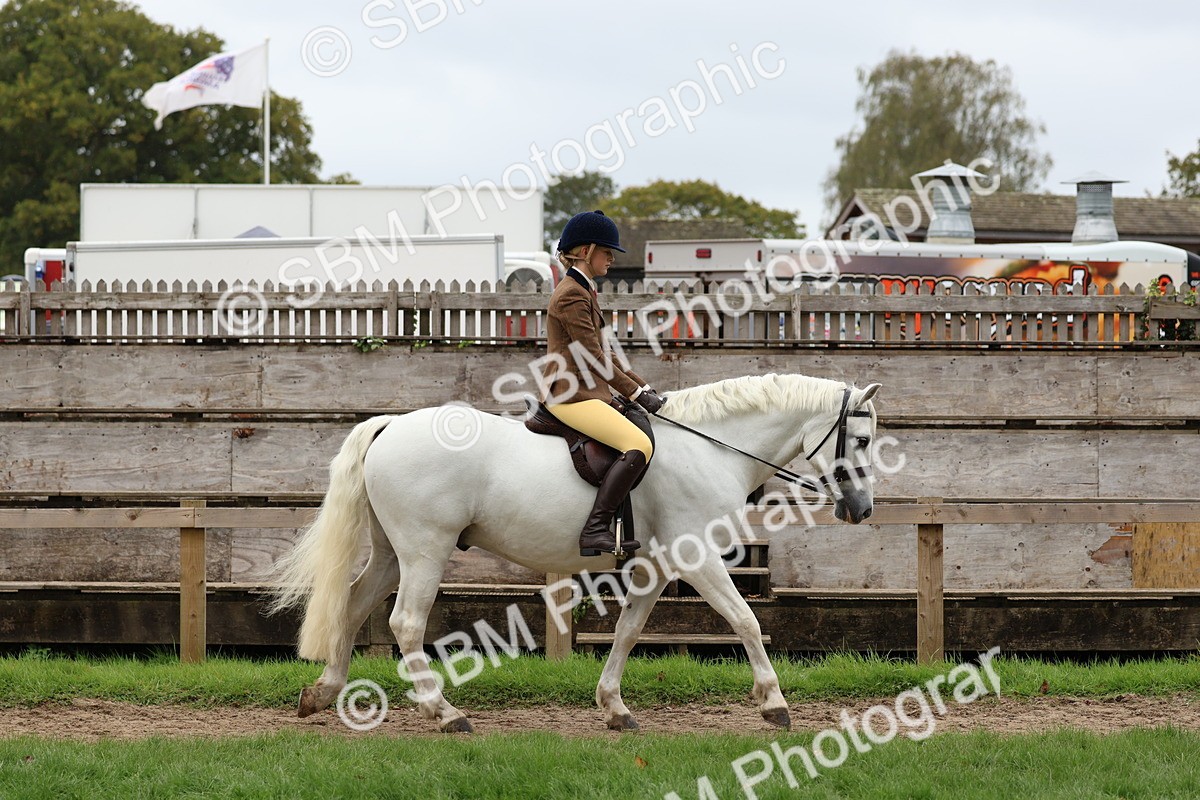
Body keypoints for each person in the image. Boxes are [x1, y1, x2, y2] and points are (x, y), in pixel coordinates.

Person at [542, 210, 666, 557]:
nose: (612, 258)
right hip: (571, 395)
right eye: (606, 251)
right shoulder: (571, 294)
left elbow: (604, 354)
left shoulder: (584, 290)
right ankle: (596, 528)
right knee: (638, 444)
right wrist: (635, 393)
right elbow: (592, 357)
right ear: (585, 251)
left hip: (587, 392)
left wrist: (643, 388)